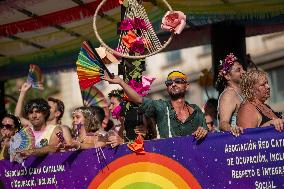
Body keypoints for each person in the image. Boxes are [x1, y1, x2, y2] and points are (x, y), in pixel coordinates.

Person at [103, 71, 208, 140]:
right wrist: (121, 82)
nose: (173, 84)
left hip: (193, 163)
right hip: (171, 164)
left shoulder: (196, 110)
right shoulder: (161, 107)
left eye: (178, 81)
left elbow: (206, 132)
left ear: (187, 86)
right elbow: (138, 99)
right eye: (169, 82)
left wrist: (203, 131)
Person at [216, 53, 246, 136]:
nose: (244, 72)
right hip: (235, 143)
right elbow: (223, 123)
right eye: (238, 70)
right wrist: (232, 129)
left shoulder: (238, 93)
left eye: (243, 69)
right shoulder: (228, 95)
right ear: (227, 76)